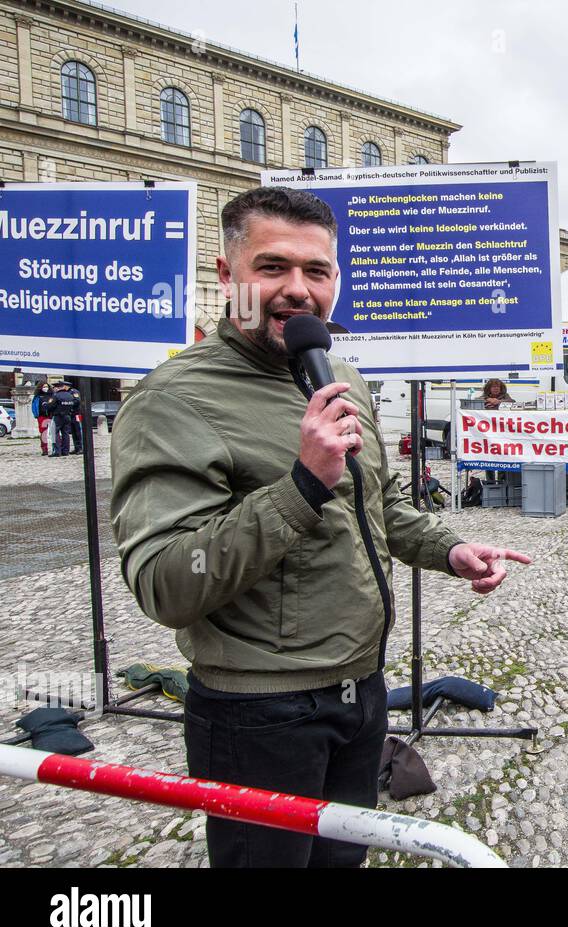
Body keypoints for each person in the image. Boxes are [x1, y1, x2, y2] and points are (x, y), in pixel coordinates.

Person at [110, 186, 532, 868]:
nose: (297, 289)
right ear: (227, 276)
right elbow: (164, 585)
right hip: (258, 715)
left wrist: (450, 549)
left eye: (317, 270)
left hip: (360, 693)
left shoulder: (340, 378)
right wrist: (301, 483)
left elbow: (380, 506)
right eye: (272, 267)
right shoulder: (173, 399)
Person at [48, 382, 79, 457]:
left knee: (55, 433)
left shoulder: (56, 395)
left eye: (55, 388)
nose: (54, 389)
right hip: (68, 416)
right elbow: (75, 403)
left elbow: (50, 406)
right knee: (65, 433)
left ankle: (57, 451)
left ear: (57, 388)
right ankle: (65, 451)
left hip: (58, 416)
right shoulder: (69, 395)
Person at [32, 382, 53, 456]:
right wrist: (36, 415)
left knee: (54, 432)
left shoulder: (52, 395)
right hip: (42, 417)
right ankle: (45, 449)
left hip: (51, 416)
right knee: (43, 433)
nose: (45, 388)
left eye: (46, 386)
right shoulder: (37, 397)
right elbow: (34, 406)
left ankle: (56, 448)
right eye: (44, 386)